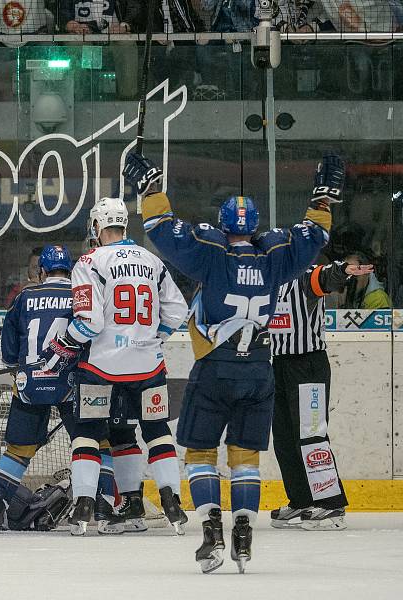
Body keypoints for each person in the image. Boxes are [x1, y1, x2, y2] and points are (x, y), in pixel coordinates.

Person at [126, 150, 340, 573]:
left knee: (201, 455)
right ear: (255, 226)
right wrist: (323, 200)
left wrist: (150, 189)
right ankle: (243, 528)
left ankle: (211, 530)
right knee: (245, 458)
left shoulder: (212, 254)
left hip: (216, 367)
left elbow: (162, 231)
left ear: (223, 226)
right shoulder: (275, 256)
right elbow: (314, 234)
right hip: (260, 368)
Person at [38, 197, 189, 536]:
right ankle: (168, 501)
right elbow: (178, 311)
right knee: (154, 431)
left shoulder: (90, 261)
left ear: (96, 226)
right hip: (148, 367)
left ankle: (84, 506)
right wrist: (153, 338)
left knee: (89, 434)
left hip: (102, 368)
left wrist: (64, 344)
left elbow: (89, 323)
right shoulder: (152, 260)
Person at [0, 245, 86, 532]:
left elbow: (8, 354)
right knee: (89, 444)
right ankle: (94, 508)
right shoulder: (80, 296)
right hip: (71, 382)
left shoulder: (24, 297)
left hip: (30, 383)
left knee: (18, 451)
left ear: (41, 271)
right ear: (71, 269)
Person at [270, 259, 372, 529]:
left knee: (311, 434)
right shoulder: (268, 276)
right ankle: (302, 499)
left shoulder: (304, 275)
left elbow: (325, 278)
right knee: (283, 436)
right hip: (277, 364)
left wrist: (343, 271)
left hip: (308, 364)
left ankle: (331, 504)